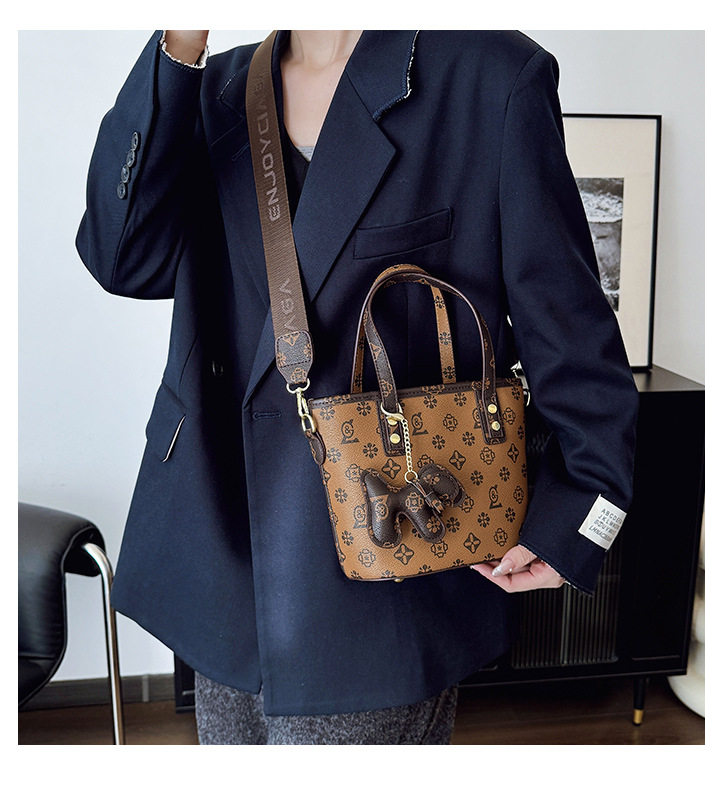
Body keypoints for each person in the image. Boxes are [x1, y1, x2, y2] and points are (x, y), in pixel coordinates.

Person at [76, 29, 638, 745]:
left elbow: (566, 323)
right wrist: (179, 42)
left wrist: (578, 519)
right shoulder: (215, 86)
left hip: (391, 554)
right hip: (222, 547)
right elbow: (122, 258)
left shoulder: (488, 77)